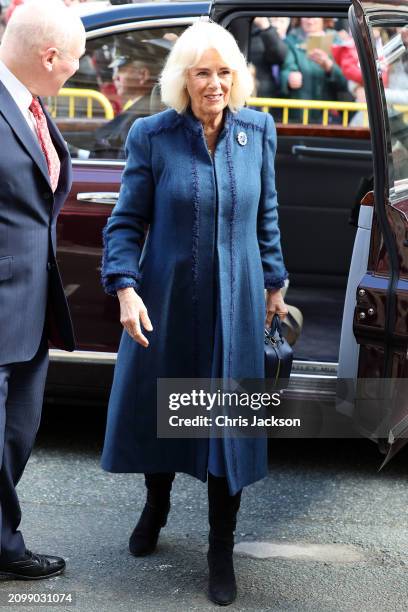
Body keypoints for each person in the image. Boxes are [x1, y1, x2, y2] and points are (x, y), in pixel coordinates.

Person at [101, 20, 288, 606]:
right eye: (203, 72)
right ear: (183, 78)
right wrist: (124, 286)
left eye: (225, 72)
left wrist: (275, 280)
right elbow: (128, 221)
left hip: (238, 301)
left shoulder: (258, 130)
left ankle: (220, 549)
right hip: (167, 295)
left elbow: (267, 213)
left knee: (227, 423)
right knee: (167, 409)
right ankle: (155, 507)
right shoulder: (152, 135)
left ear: (238, 78)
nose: (214, 83)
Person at [0, 0, 85, 579]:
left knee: (18, 434)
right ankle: (6, 548)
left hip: (30, 312)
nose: (78, 71)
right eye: (76, 60)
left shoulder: (31, 107)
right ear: (50, 56)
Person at [280, 17, 348, 123]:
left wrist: (330, 67)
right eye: (306, 16)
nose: (310, 21)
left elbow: (347, 81)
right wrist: (289, 77)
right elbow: (286, 67)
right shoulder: (290, 41)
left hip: (329, 115)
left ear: (324, 19)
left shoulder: (337, 41)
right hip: (300, 113)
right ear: (299, 19)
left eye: (315, 16)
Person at [88, 55, 157, 159]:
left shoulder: (141, 116)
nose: (114, 77)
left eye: (120, 70)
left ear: (142, 75)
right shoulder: (140, 107)